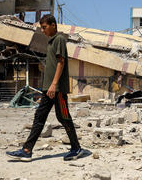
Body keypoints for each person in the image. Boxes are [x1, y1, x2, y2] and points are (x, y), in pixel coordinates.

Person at [7, 14, 84, 162]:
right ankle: (27, 150)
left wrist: (54, 84)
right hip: (48, 88)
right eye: (41, 28)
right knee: (39, 117)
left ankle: (76, 148)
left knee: (63, 117)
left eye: (44, 27)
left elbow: (61, 62)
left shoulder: (59, 39)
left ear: (53, 25)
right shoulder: (50, 42)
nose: (43, 30)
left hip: (57, 89)